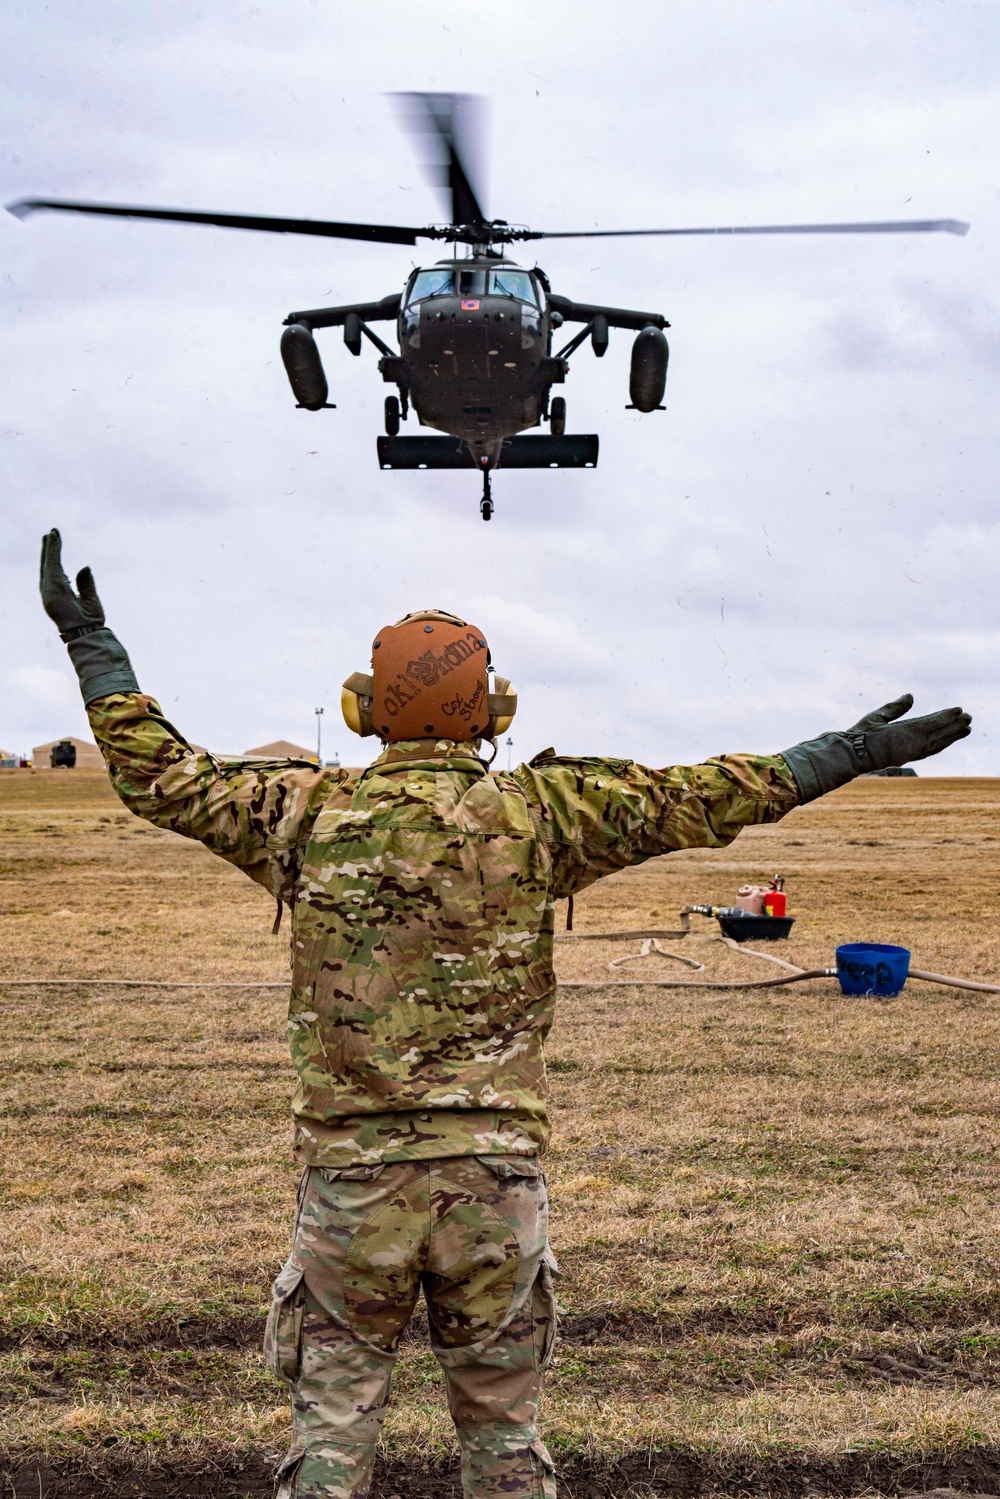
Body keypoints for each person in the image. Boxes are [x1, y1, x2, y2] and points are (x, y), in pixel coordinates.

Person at [39, 529, 971, 1499]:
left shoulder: (302, 811)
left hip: (352, 1187)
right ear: (492, 710)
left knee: (328, 1444)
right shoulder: (546, 812)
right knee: (505, 1449)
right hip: (495, 1186)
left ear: (363, 711)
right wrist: (853, 750)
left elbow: (162, 773)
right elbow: (716, 792)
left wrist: (94, 647)